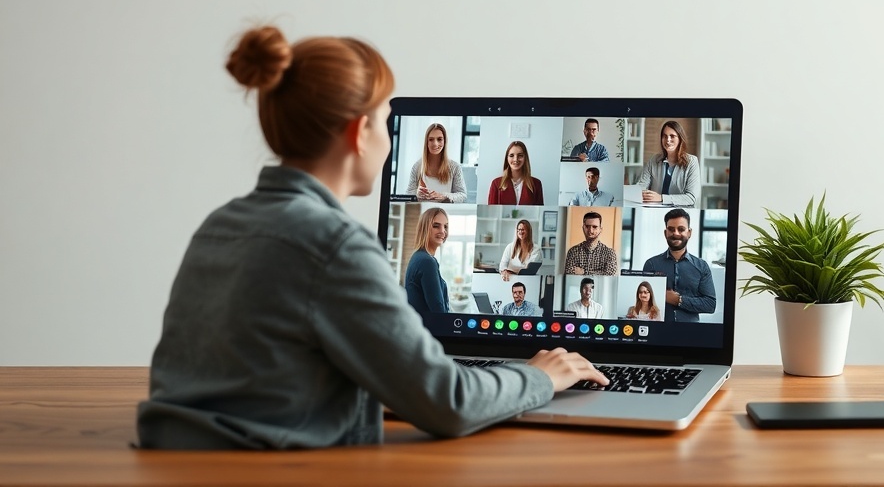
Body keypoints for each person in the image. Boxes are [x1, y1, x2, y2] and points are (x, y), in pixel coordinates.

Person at [137, 25, 607, 450]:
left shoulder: (218, 224)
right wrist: (538, 377)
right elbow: (448, 402)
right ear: (360, 132)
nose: (387, 137)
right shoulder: (335, 246)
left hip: (173, 462)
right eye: (385, 119)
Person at [642, 208, 715, 322]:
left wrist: (678, 300)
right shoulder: (651, 264)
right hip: (658, 331)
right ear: (665, 233)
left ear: (689, 232)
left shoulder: (702, 266)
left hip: (690, 333)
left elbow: (710, 305)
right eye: (671, 229)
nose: (675, 233)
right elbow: (643, 299)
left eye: (681, 229)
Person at [636, 120, 701, 207]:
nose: (668, 140)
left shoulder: (692, 162)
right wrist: (640, 193)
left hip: (679, 210)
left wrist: (661, 198)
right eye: (664, 136)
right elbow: (641, 186)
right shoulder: (653, 160)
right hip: (654, 209)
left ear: (680, 139)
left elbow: (691, 198)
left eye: (672, 136)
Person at [405, 123, 467, 203]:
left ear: (445, 141)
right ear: (426, 142)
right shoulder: (417, 167)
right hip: (423, 213)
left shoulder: (455, 167)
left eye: (439, 139)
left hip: (445, 213)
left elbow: (462, 195)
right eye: (431, 139)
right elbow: (408, 196)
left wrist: (444, 196)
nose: (435, 144)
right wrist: (417, 194)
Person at [405, 207, 451, 314]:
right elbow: (438, 310)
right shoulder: (427, 261)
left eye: (445, 226)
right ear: (424, 229)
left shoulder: (418, 256)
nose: (442, 231)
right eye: (436, 226)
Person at [487, 141, 544, 205]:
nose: (515, 159)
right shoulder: (496, 184)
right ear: (507, 159)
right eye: (511, 155)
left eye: (520, 155)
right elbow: (491, 213)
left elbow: (539, 213)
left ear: (525, 158)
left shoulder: (536, 184)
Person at [563, 211, 618, 275]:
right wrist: (600, 272)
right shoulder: (573, 251)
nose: (590, 231)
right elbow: (568, 273)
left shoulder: (609, 253)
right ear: (583, 228)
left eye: (594, 227)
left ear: (600, 229)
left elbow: (610, 274)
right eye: (587, 226)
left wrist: (584, 272)